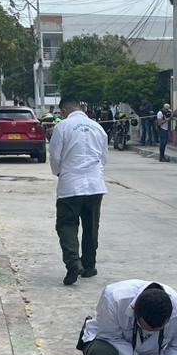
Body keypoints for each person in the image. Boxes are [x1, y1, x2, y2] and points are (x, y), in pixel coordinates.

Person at [49, 96, 108, 286]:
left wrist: (59, 173)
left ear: (64, 111)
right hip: (95, 185)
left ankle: (74, 262)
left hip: (70, 185)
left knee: (66, 225)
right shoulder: (98, 127)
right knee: (91, 227)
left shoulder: (62, 127)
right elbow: (104, 158)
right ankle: (89, 266)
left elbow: (55, 156)